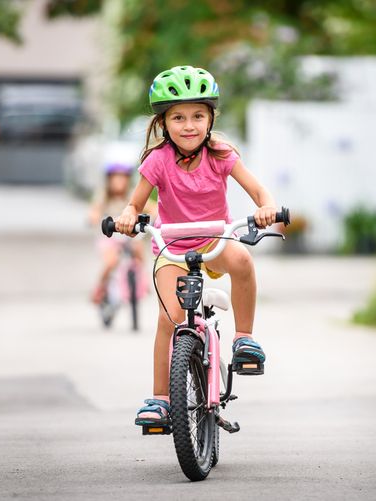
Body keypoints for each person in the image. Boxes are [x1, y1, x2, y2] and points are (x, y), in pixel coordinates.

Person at [112, 65, 278, 427]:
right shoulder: (158, 160)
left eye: (198, 116)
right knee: (169, 318)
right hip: (172, 249)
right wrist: (127, 215)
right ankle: (160, 399)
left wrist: (265, 207)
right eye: (179, 117)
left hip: (216, 241)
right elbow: (135, 203)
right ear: (164, 123)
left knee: (244, 262)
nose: (189, 125)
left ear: (211, 118)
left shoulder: (220, 154)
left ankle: (244, 339)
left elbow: (259, 191)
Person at [88, 162, 147, 305]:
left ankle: (141, 281)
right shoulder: (104, 195)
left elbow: (151, 207)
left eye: (122, 178)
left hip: (129, 236)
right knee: (111, 261)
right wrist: (94, 216)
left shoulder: (132, 195)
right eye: (115, 178)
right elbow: (94, 210)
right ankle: (100, 287)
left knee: (139, 251)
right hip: (110, 237)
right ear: (109, 180)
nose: (119, 181)